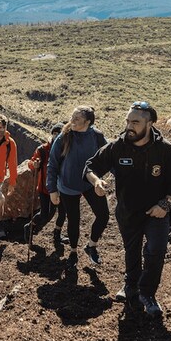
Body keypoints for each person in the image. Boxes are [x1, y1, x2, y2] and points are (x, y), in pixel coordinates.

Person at [84, 101, 171, 318]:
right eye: (128, 121)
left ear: (149, 124)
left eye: (136, 122)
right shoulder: (118, 146)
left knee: (156, 250)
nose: (130, 126)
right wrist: (96, 182)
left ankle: (147, 294)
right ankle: (130, 286)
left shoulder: (165, 150)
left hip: (156, 212)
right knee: (132, 250)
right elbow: (90, 167)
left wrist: (164, 205)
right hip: (128, 211)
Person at [48, 105, 108, 269]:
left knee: (103, 216)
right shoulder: (64, 137)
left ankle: (91, 246)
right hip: (68, 184)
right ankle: (73, 251)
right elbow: (52, 164)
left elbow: (109, 157)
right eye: (72, 117)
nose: (72, 121)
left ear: (88, 122)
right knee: (74, 220)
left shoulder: (96, 136)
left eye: (77, 119)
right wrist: (52, 189)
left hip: (90, 182)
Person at [23, 122, 68, 246]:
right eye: (54, 133)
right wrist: (35, 165)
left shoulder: (67, 149)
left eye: (59, 134)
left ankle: (57, 235)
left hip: (61, 187)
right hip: (45, 188)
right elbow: (31, 163)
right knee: (45, 214)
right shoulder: (43, 150)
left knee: (62, 213)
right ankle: (29, 227)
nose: (56, 136)